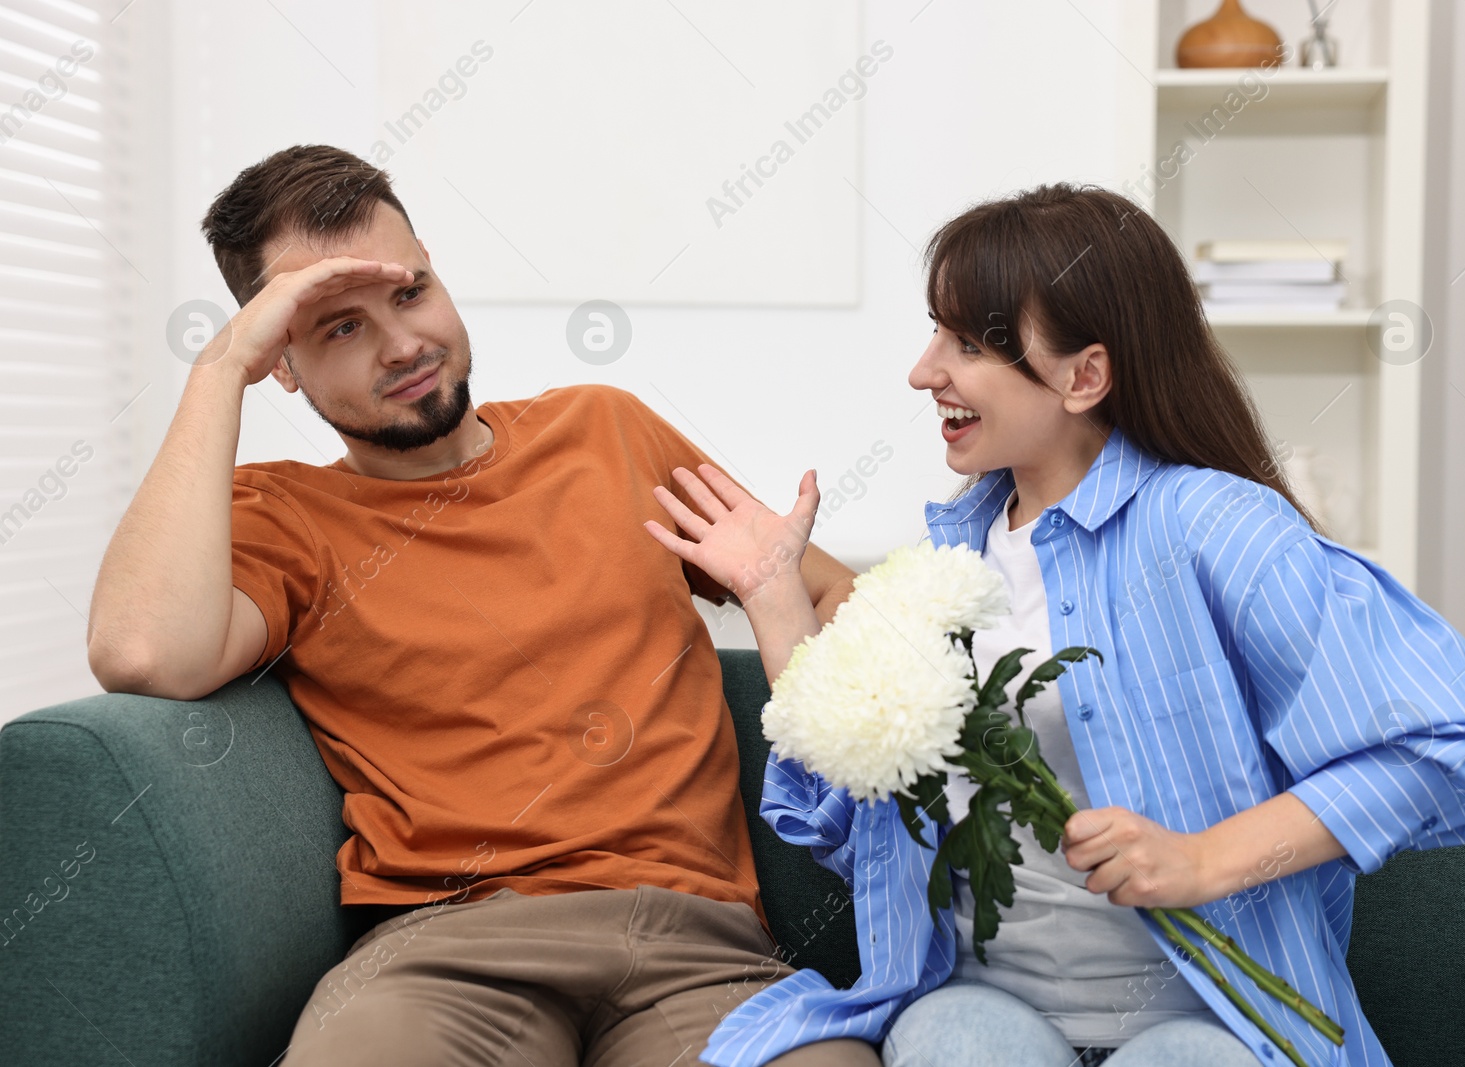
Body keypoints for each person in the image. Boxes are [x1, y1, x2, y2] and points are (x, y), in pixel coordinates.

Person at [644, 183, 1465, 1067]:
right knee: (951, 1043)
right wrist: (773, 598)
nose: (925, 371)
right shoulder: (951, 558)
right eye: (934, 331)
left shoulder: (1214, 526)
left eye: (969, 342)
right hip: (980, 1007)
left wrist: (1205, 859)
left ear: (1086, 375)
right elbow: (861, 827)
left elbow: (1462, 744)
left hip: (1209, 1013)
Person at [85, 144, 880, 1067]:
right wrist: (218, 370)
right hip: (445, 952)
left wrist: (787, 619)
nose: (403, 345)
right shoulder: (287, 516)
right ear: (283, 364)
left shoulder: (606, 431)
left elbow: (831, 587)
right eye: (339, 328)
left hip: (696, 950)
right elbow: (143, 652)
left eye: (411, 292)